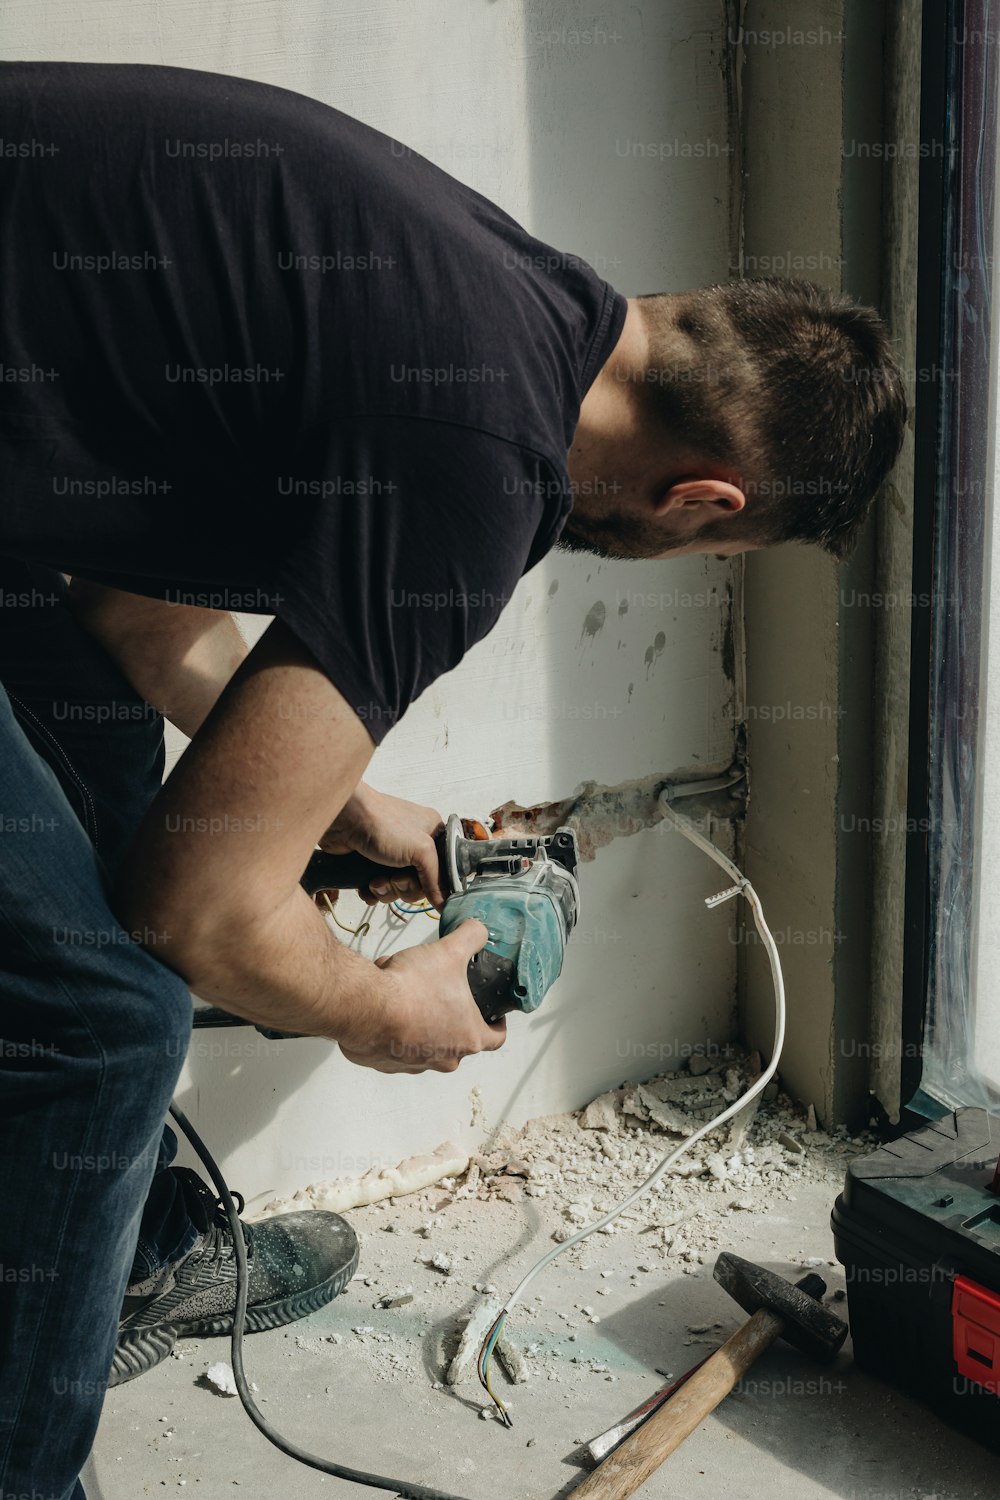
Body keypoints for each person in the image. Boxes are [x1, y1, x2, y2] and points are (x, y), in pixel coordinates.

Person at [0, 61, 906, 1498]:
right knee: (103, 1012)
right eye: (713, 559)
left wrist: (339, 803)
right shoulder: (481, 465)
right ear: (705, 503)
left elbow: (134, 617)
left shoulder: (509, 299)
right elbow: (200, 906)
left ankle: (95, 1254)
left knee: (107, 786)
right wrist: (381, 1010)